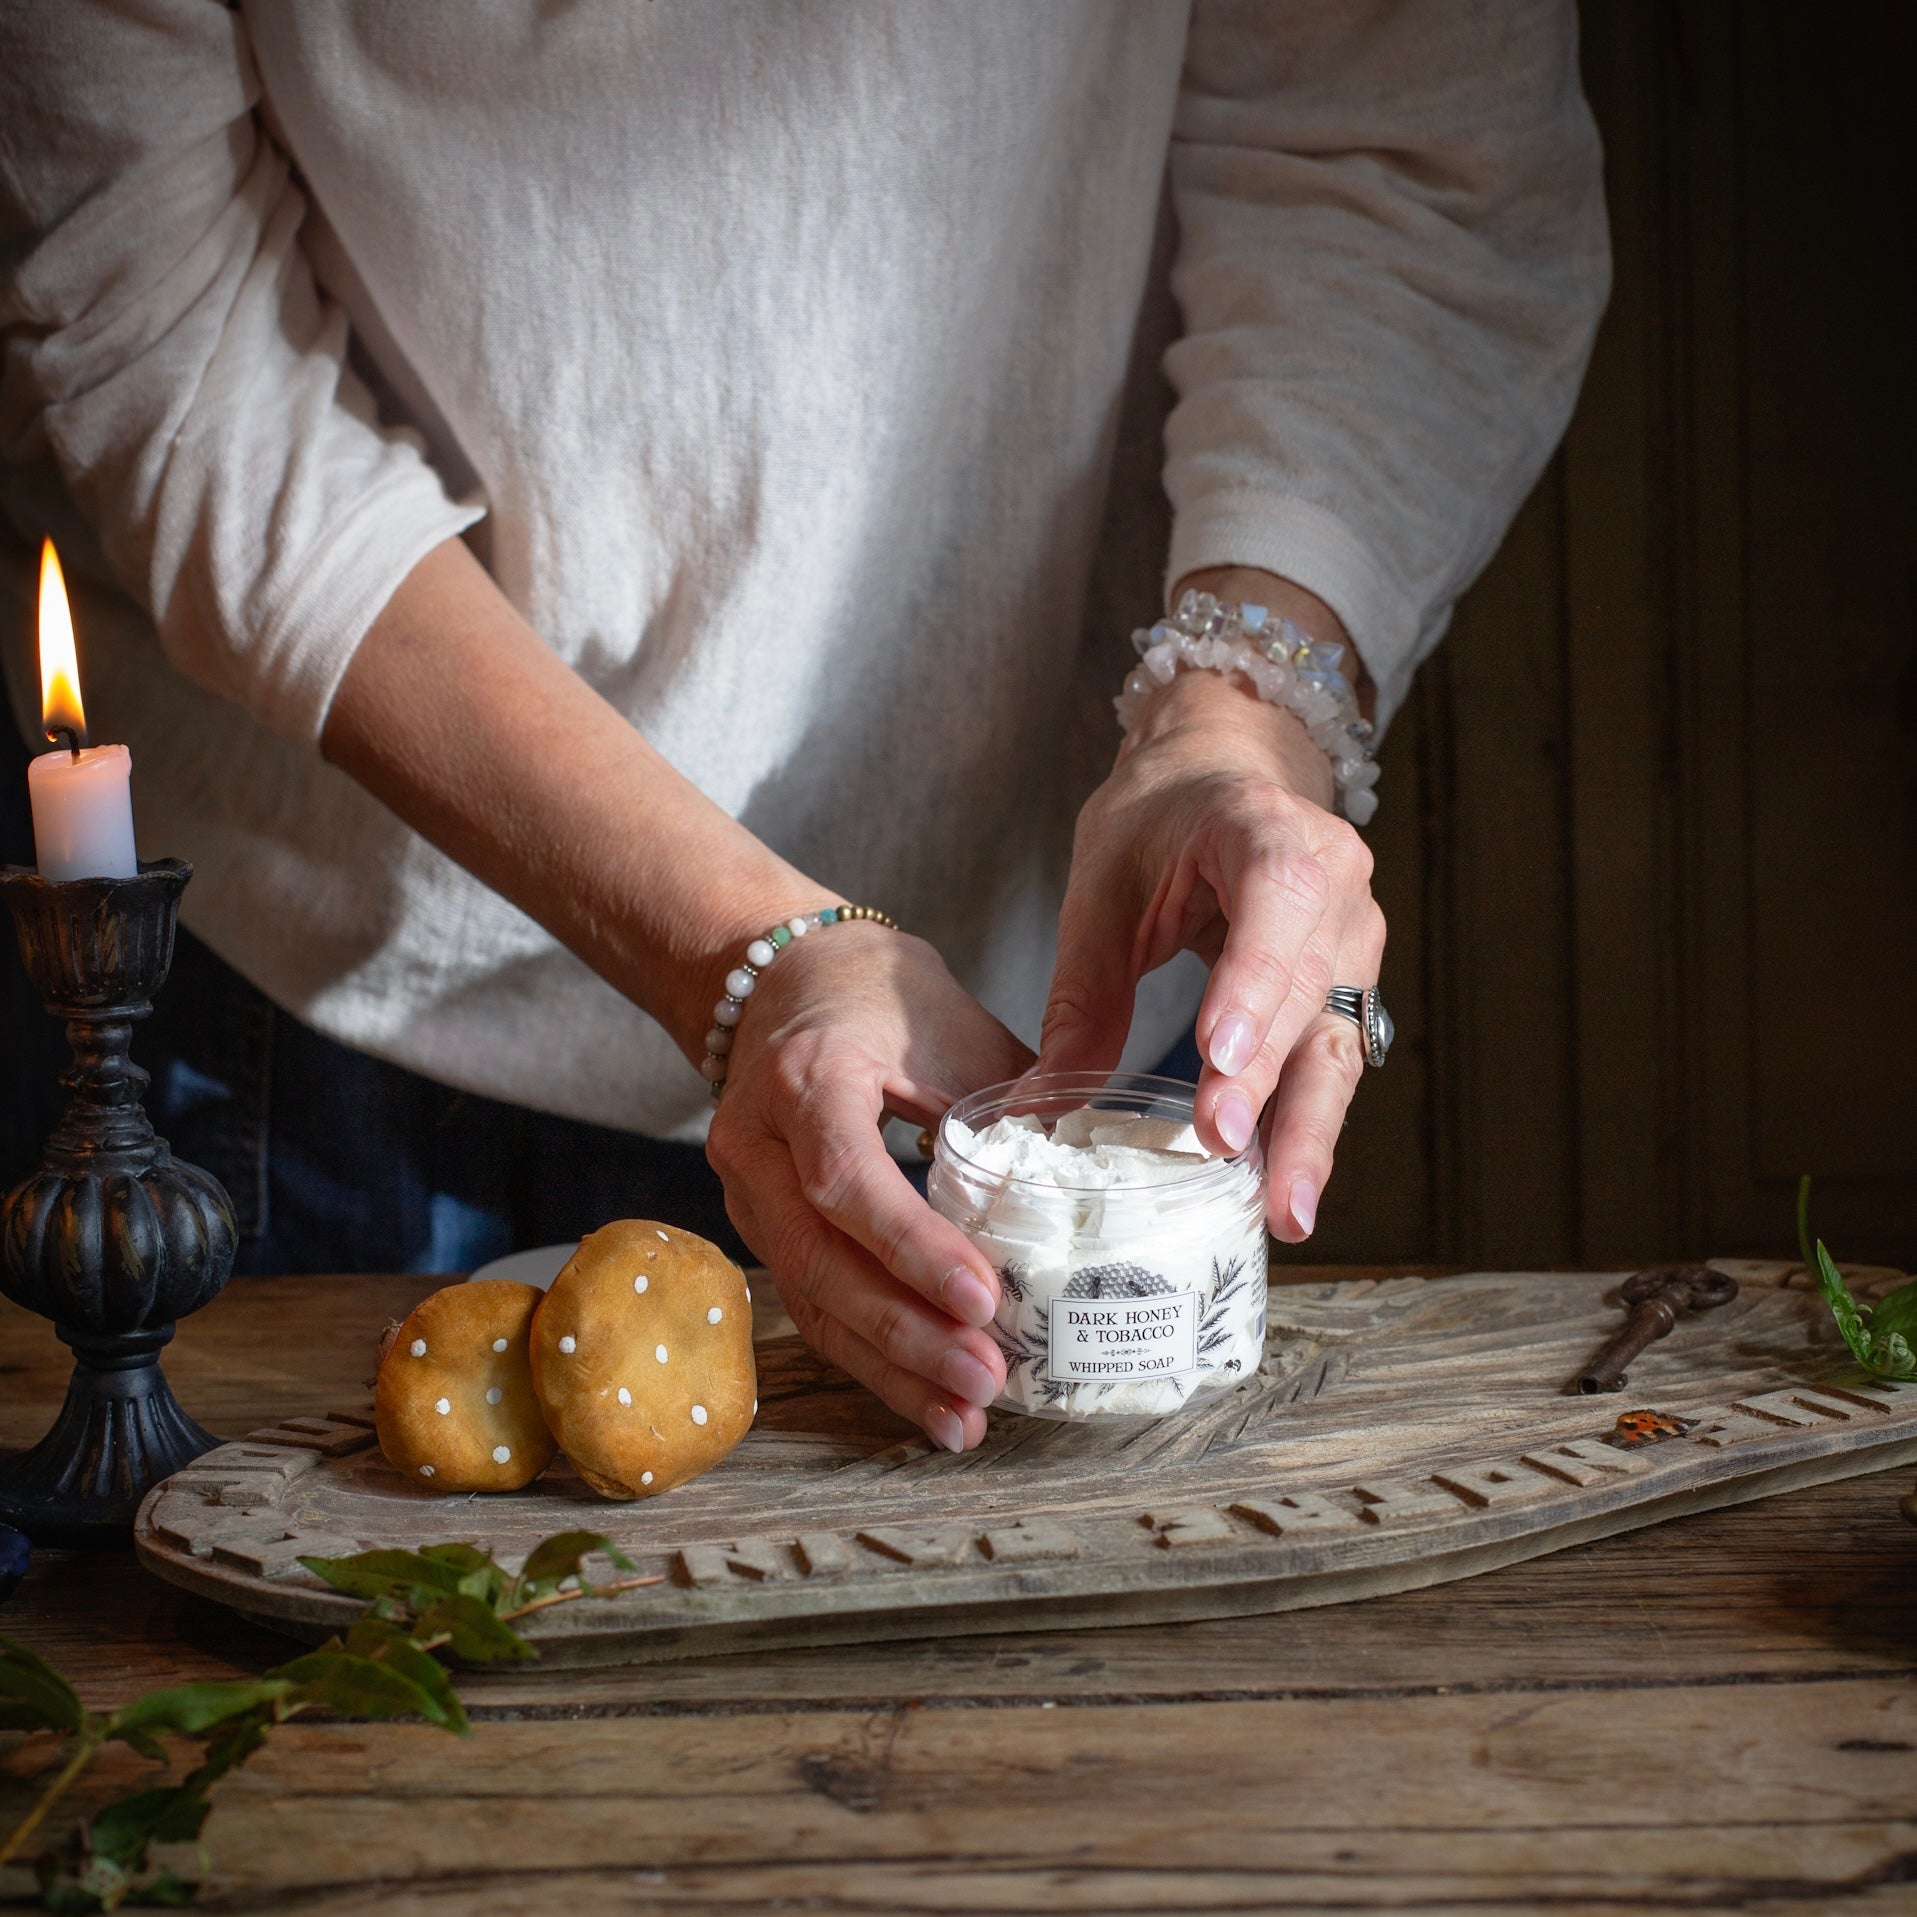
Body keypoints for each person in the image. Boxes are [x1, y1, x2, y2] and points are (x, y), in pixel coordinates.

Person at [0, 3, 1609, 1453]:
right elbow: (138, 284)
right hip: (339, 958)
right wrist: (740, 955)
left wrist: (1237, 723)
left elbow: (1401, 155)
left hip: (1080, 984)